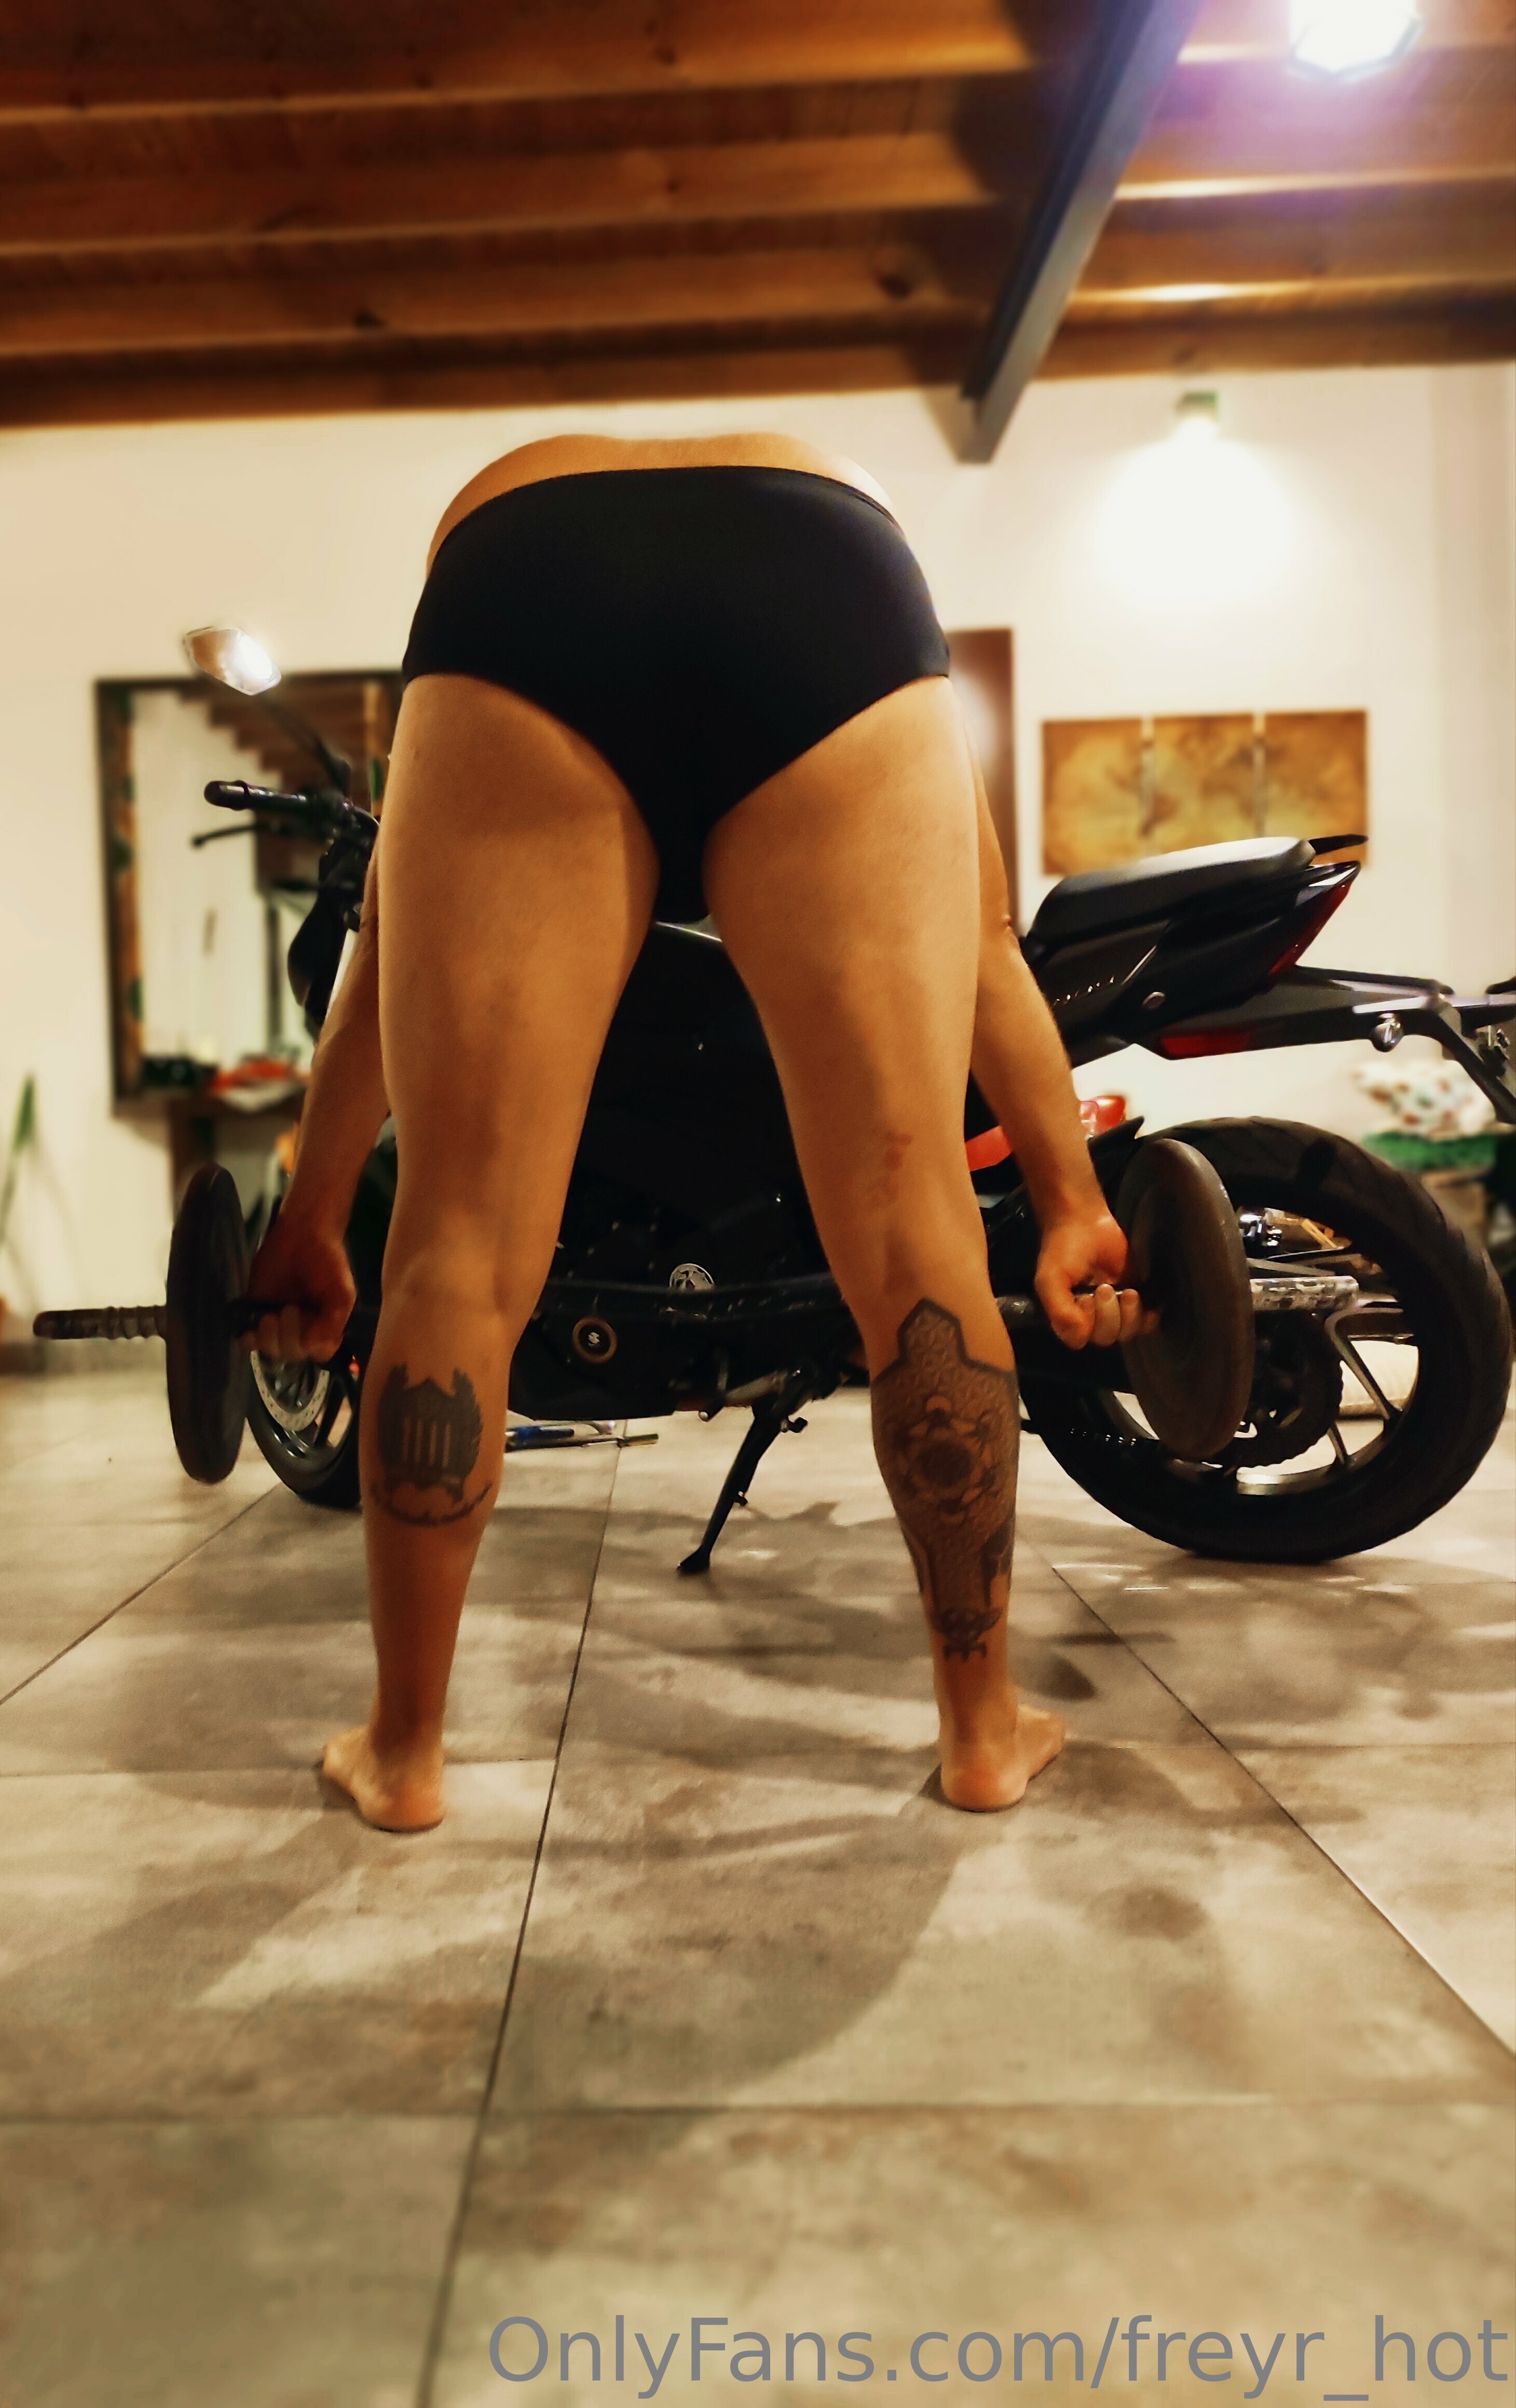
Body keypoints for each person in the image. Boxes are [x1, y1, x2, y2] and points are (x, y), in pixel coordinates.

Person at [245, 430, 1148, 1833]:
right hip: (827, 572)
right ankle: (980, 1733)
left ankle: (405, 1754)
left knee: (460, 1242)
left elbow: (381, 939)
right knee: (914, 1229)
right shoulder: (832, 535)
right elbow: (982, 941)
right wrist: (1071, 1196)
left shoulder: (514, 538)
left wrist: (311, 1215)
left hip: (519, 573)